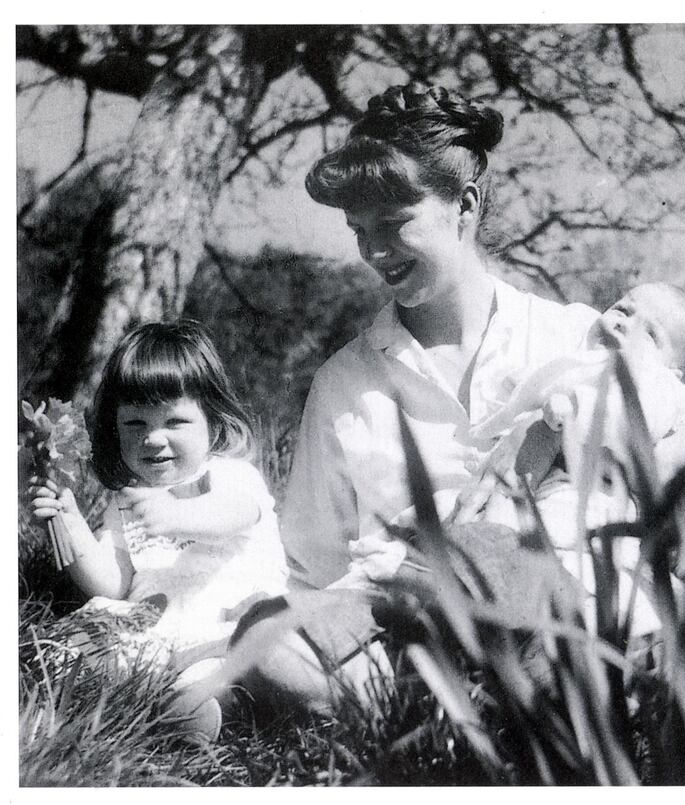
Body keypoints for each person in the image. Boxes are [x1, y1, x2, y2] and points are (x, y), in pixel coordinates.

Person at [227, 83, 601, 711]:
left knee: (507, 556)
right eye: (359, 230)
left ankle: (466, 715)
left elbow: (671, 461)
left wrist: (551, 424)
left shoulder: (571, 339)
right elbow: (314, 564)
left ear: (466, 206)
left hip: (554, 625)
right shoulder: (345, 384)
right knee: (262, 634)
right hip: (401, 631)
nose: (374, 252)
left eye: (396, 224)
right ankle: (439, 715)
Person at [28, 321, 289, 740]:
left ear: (212, 420)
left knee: (228, 666)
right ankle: (105, 702)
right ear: (114, 428)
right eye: (135, 424)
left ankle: (210, 708)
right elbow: (111, 584)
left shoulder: (231, 475)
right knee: (66, 653)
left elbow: (236, 514)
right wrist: (69, 519)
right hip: (155, 628)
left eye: (174, 422)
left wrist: (176, 515)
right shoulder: (127, 499)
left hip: (227, 623)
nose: (153, 438)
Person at [455, 282, 685, 634]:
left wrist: (573, 407)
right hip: (541, 500)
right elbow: (526, 400)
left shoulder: (658, 384)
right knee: (501, 544)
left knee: (599, 590)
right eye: (623, 309)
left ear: (672, 367)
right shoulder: (578, 355)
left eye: (650, 333)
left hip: (593, 514)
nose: (623, 324)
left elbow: (636, 419)